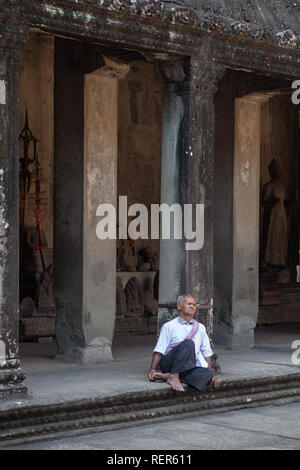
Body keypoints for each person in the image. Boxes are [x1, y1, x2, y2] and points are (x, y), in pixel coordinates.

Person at [148, 294, 221, 392]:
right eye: (189, 304)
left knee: (207, 374)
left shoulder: (200, 327)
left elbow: (206, 353)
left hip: (188, 366)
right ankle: (173, 375)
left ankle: (170, 377)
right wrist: (153, 369)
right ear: (179, 306)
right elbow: (160, 349)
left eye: (194, 305)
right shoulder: (169, 326)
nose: (192, 306)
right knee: (189, 344)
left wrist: (211, 375)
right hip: (170, 363)